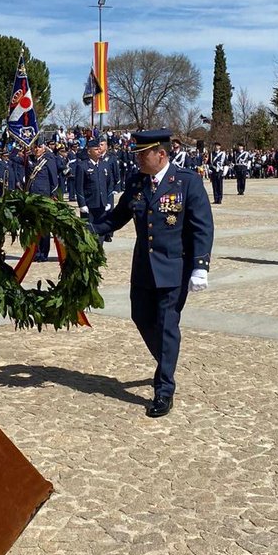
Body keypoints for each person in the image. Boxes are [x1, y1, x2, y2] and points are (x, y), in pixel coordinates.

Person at [91, 128, 213, 418]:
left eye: (143, 154)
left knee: (166, 324)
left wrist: (200, 266)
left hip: (173, 269)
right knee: (141, 318)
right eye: (136, 154)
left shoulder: (187, 182)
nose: (138, 160)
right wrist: (85, 229)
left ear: (161, 153)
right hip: (144, 269)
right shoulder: (136, 183)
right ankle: (167, 359)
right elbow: (117, 217)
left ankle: (164, 389)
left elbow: (202, 227)